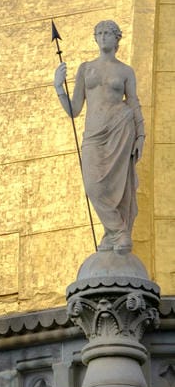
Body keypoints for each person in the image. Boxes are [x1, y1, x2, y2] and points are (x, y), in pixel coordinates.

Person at [54, 20, 145, 253]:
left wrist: (141, 135)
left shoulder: (125, 71)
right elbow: (74, 109)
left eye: (109, 33)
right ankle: (117, 230)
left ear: (117, 39)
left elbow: (133, 102)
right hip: (94, 134)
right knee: (92, 185)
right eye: (100, 33)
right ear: (95, 38)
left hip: (121, 128)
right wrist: (58, 88)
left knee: (121, 186)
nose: (104, 36)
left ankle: (115, 233)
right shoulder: (86, 69)